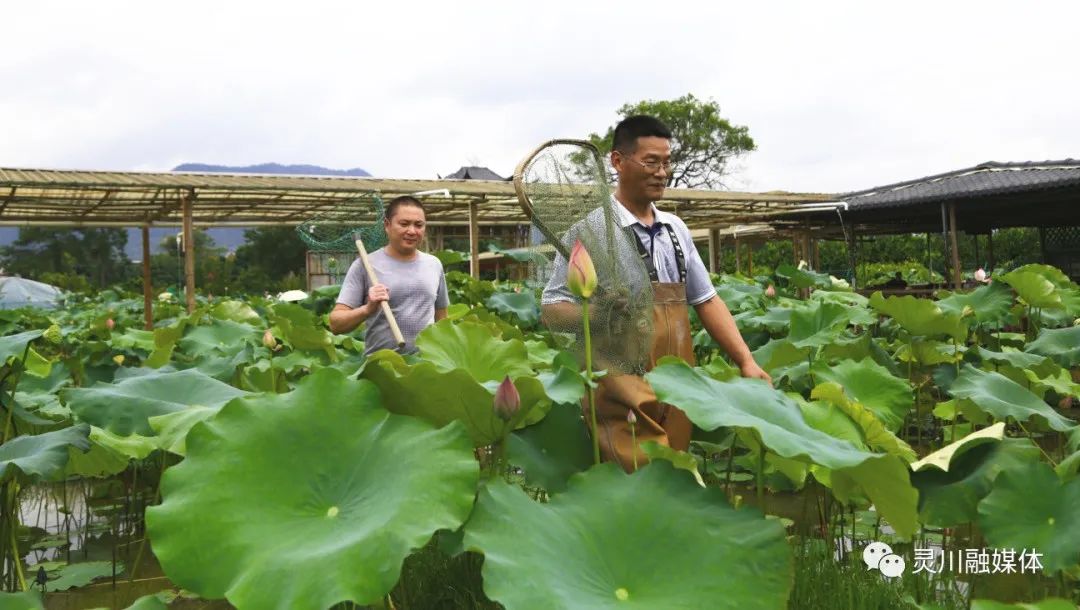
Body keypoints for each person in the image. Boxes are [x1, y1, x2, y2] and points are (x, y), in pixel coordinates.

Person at [541, 115, 771, 472]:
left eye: (666, 163)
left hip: (677, 377)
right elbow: (552, 308)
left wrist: (746, 360)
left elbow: (706, 299)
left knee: (675, 472)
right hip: (620, 379)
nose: (662, 172)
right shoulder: (589, 230)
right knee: (636, 481)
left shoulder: (675, 228)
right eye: (651, 162)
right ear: (617, 161)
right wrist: (600, 316)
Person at [329, 196, 449, 356]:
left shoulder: (434, 264)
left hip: (426, 368)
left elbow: (442, 318)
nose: (412, 231)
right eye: (404, 224)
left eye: (418, 225)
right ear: (387, 225)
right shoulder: (364, 265)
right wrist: (367, 309)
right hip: (381, 369)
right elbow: (336, 324)